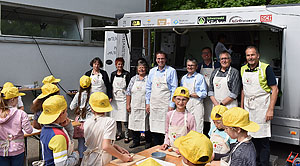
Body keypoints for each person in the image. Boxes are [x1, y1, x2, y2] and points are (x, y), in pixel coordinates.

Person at [241, 46, 278, 166]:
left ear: (258, 55)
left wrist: (270, 110)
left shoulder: (265, 68)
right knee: (250, 138)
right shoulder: (243, 69)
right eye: (248, 55)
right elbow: (243, 90)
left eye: (252, 55)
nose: (250, 58)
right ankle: (253, 162)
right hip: (248, 108)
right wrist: (242, 108)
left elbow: (275, 89)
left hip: (262, 108)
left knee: (262, 139)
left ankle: (264, 163)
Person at [81, 92, 133, 166]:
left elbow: (97, 142)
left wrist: (115, 146)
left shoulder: (87, 122)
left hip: (87, 160)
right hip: (100, 160)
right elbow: (105, 146)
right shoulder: (109, 121)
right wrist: (122, 157)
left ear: (91, 108)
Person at [146, 51, 178, 146]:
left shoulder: (171, 71)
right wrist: (148, 103)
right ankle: (156, 146)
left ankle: (166, 146)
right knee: (155, 127)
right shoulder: (152, 71)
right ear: (156, 60)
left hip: (165, 104)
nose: (160, 60)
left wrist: (172, 104)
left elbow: (174, 89)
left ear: (165, 59)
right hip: (154, 103)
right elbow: (148, 88)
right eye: (158, 59)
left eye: (162, 58)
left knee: (166, 127)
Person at [38, 95, 79, 166]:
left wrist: (68, 126)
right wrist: (76, 156)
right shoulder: (58, 137)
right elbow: (62, 164)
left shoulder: (46, 129)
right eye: (66, 111)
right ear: (61, 114)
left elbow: (68, 139)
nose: (67, 114)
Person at [0, 87, 33, 166]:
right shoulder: (21, 113)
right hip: (17, 149)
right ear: (12, 100)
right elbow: (29, 131)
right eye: (17, 98)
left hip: (2, 149)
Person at [126, 59, 151, 149]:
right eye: (140, 68)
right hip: (134, 105)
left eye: (143, 68)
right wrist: (128, 104)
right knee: (134, 123)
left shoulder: (149, 78)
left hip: (145, 105)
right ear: (137, 69)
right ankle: (136, 141)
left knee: (146, 124)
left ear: (146, 69)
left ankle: (148, 141)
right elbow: (128, 92)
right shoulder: (133, 79)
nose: (141, 69)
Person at [196, 47, 221, 135]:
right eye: (204, 53)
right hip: (203, 97)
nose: (206, 55)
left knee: (214, 116)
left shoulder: (217, 65)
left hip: (214, 95)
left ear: (211, 54)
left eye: (208, 53)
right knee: (203, 117)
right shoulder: (199, 66)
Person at [70, 75, 92, 163]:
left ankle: (81, 159)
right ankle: (89, 160)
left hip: (79, 121)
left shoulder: (78, 95)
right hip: (90, 121)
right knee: (89, 142)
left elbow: (71, 107)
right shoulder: (92, 95)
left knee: (80, 142)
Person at [180, 58, 207, 133]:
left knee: (197, 125)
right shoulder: (183, 78)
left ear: (196, 67)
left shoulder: (200, 77)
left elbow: (204, 93)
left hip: (197, 104)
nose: (190, 67)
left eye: (192, 65)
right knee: (186, 125)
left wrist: (191, 94)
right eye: (188, 65)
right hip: (186, 104)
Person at [110, 57, 131, 143]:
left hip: (123, 98)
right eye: (118, 64)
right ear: (116, 65)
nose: (120, 65)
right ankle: (119, 133)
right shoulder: (113, 74)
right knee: (116, 118)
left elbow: (129, 87)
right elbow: (110, 85)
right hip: (115, 98)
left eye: (121, 64)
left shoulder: (127, 74)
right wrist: (110, 96)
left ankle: (127, 135)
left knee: (124, 118)